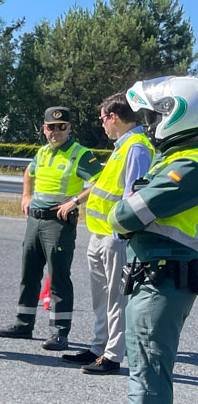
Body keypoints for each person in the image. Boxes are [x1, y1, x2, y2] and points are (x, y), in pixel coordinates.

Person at [91, 76, 198, 404]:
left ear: (178, 112)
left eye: (155, 114)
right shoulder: (177, 158)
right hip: (152, 276)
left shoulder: (188, 164)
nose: (151, 122)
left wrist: (129, 204)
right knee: (143, 373)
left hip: (163, 280)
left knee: (151, 374)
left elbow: (125, 214)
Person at [0, 106, 102, 350]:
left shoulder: (80, 154)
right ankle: (23, 324)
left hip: (58, 222)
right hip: (35, 220)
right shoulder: (43, 152)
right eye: (51, 127)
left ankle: (59, 333)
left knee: (58, 277)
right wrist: (25, 195)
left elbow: (100, 182)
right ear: (44, 129)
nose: (56, 131)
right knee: (29, 274)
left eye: (61, 127)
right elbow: (28, 172)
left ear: (69, 128)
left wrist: (75, 201)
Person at [60, 93, 153, 374]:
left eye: (103, 119)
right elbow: (103, 186)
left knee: (115, 299)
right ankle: (98, 346)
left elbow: (132, 195)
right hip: (99, 234)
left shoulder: (136, 147)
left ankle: (112, 355)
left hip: (116, 238)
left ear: (114, 117)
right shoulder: (122, 145)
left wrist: (120, 234)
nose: (102, 125)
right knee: (101, 298)